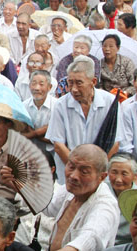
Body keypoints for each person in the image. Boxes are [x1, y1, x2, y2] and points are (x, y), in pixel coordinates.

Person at [31, 144, 120, 251]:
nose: (73, 176)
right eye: (71, 167)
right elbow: (48, 207)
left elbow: (89, 238)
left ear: (101, 177)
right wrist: (18, 182)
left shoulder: (105, 205)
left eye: (84, 172)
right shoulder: (70, 190)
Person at [46, 56, 123, 184]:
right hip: (69, 173)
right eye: (70, 82)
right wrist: (79, 171)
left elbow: (114, 143)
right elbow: (59, 145)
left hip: (98, 175)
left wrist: (95, 172)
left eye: (79, 83)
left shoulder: (110, 103)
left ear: (93, 81)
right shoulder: (61, 105)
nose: (74, 89)